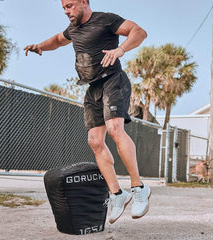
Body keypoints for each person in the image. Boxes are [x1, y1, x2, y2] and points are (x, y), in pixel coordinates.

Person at [24, 0, 151, 224]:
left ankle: (139, 188)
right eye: (63, 8)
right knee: (94, 141)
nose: (66, 11)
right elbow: (57, 40)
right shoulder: (73, 29)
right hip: (93, 88)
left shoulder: (105, 20)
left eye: (70, 6)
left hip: (113, 81)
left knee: (114, 128)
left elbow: (139, 31)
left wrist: (121, 49)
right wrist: (40, 46)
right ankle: (117, 194)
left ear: (84, 2)